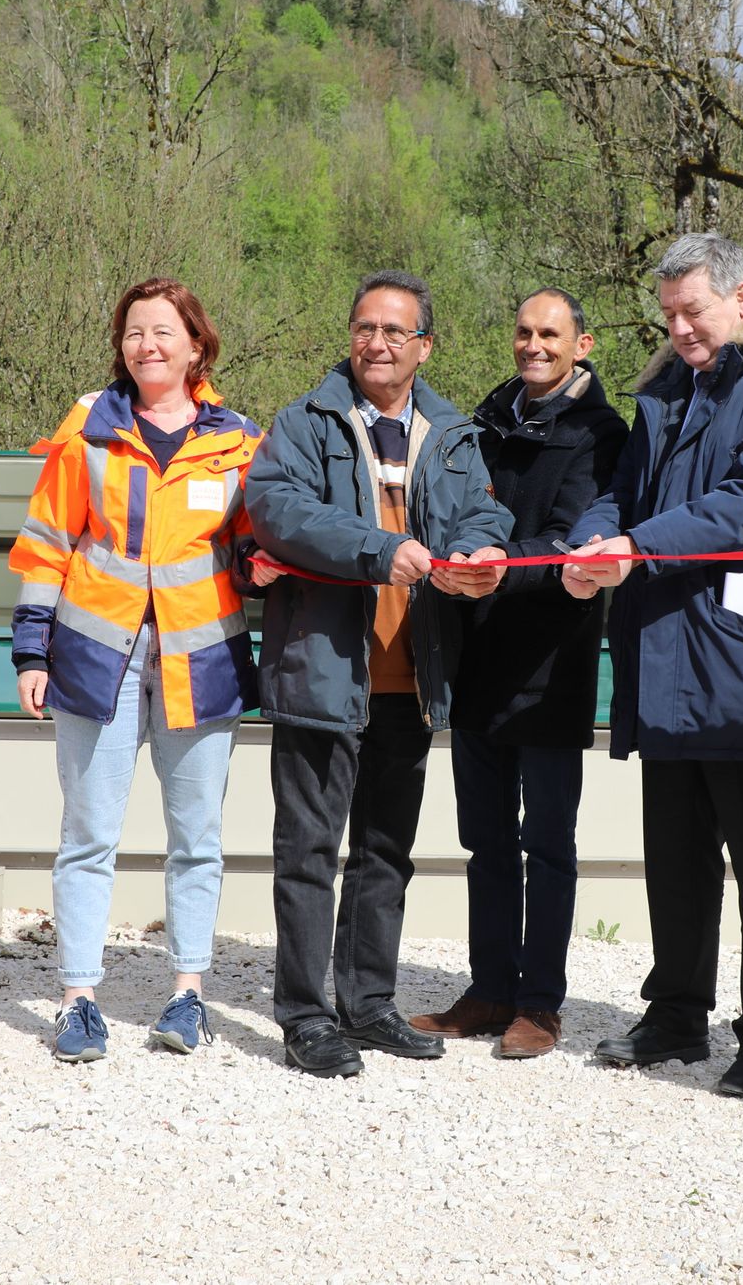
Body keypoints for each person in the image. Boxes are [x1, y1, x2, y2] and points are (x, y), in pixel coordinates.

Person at [562, 234, 743, 1099]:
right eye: (670, 314)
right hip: (668, 651)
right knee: (676, 848)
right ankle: (677, 1013)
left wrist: (636, 546)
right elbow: (628, 490)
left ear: (742, 296)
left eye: (693, 310)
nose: (680, 327)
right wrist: (593, 537)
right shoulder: (667, 385)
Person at [245, 269, 514, 1078]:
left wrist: (483, 553)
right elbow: (277, 509)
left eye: (397, 331)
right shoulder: (304, 422)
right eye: (367, 327)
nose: (378, 342)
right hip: (322, 676)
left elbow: (481, 510)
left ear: (424, 346)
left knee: (385, 854)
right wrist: (376, 549)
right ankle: (303, 1014)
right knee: (307, 852)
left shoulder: (451, 431)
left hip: (414, 678)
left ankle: (366, 1004)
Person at [7, 276, 274, 1063]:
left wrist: (269, 565)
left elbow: (256, 541)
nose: (146, 345)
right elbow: (48, 540)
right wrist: (30, 648)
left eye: (162, 331)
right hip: (95, 661)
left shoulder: (238, 440)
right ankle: (77, 1000)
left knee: (197, 839)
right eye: (133, 332)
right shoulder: (88, 428)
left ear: (197, 345)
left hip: (204, 664)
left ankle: (189, 995)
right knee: (88, 834)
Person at [412, 288, 629, 1060]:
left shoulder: (602, 433)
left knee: (548, 842)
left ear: (583, 345)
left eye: (550, 334)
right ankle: (489, 989)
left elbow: (573, 537)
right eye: (524, 331)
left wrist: (496, 567)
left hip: (549, 660)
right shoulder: (488, 417)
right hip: (477, 657)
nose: (533, 344)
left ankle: (540, 1002)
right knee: (486, 840)